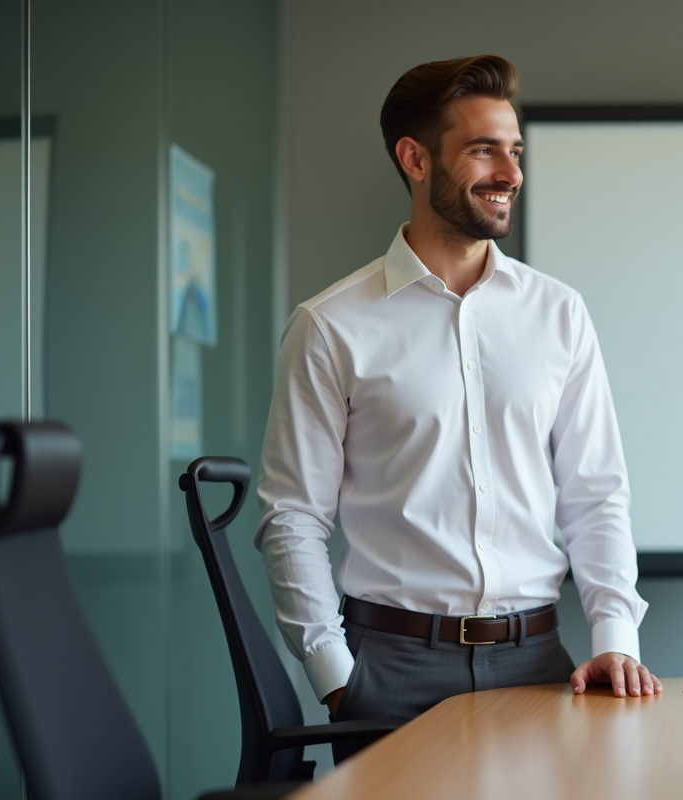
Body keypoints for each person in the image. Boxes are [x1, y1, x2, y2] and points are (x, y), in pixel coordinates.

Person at [255, 55, 660, 748]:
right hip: (390, 668)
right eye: (483, 150)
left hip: (539, 662)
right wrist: (337, 677)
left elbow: (595, 494)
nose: (511, 173)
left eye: (515, 150)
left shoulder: (559, 313)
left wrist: (616, 635)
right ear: (414, 158)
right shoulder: (329, 326)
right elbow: (292, 517)